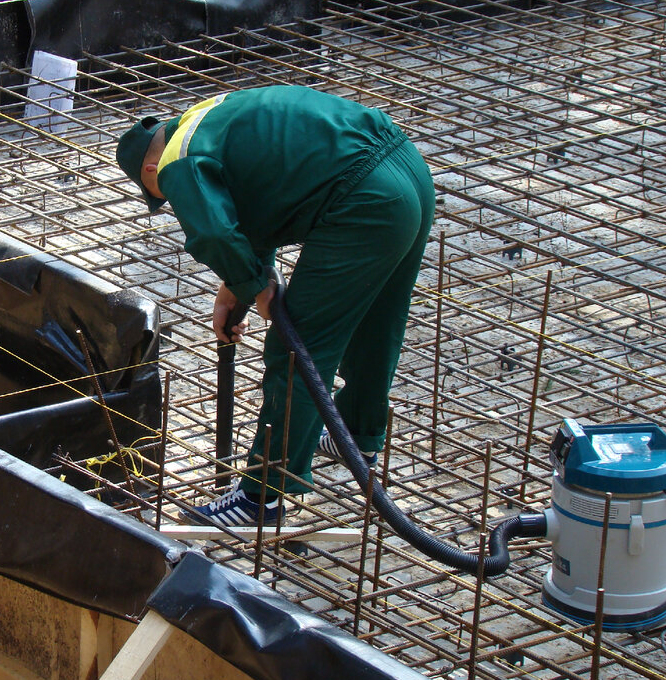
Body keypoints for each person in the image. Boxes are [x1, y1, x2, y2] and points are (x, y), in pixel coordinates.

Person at [115, 84, 434, 526]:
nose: (167, 197)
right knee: (377, 319)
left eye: (160, 193)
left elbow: (213, 232)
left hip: (365, 200)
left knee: (296, 346)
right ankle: (356, 433)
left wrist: (255, 287)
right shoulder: (210, 113)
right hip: (407, 169)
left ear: (151, 167)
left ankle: (259, 499)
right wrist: (241, 283)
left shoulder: (176, 161)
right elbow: (260, 192)